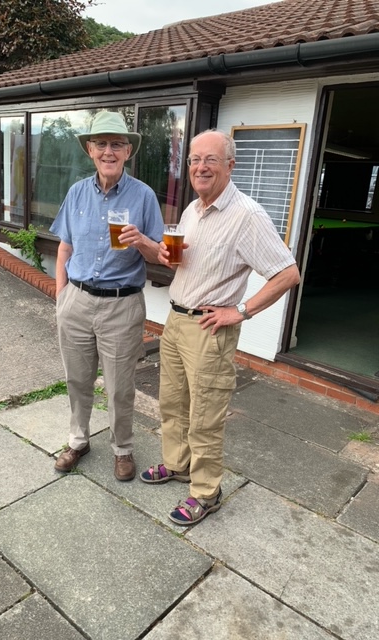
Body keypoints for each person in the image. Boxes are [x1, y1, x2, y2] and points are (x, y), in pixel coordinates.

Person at [140, 129, 301, 524]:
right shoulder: (193, 210)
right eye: (194, 159)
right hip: (177, 321)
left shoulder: (247, 215)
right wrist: (165, 254)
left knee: (206, 415)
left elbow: (288, 274)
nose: (200, 166)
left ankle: (206, 491)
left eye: (211, 159)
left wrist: (241, 311)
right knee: (173, 404)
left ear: (231, 165)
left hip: (210, 331)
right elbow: (184, 264)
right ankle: (177, 464)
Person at [50, 110, 163, 481]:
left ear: (128, 151)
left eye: (116, 144)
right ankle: (78, 440)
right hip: (77, 301)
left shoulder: (143, 196)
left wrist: (142, 240)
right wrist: (61, 298)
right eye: (101, 144)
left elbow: (161, 255)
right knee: (78, 380)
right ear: (90, 151)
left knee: (119, 387)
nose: (108, 151)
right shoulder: (77, 192)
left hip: (122, 304)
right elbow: (65, 248)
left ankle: (122, 449)